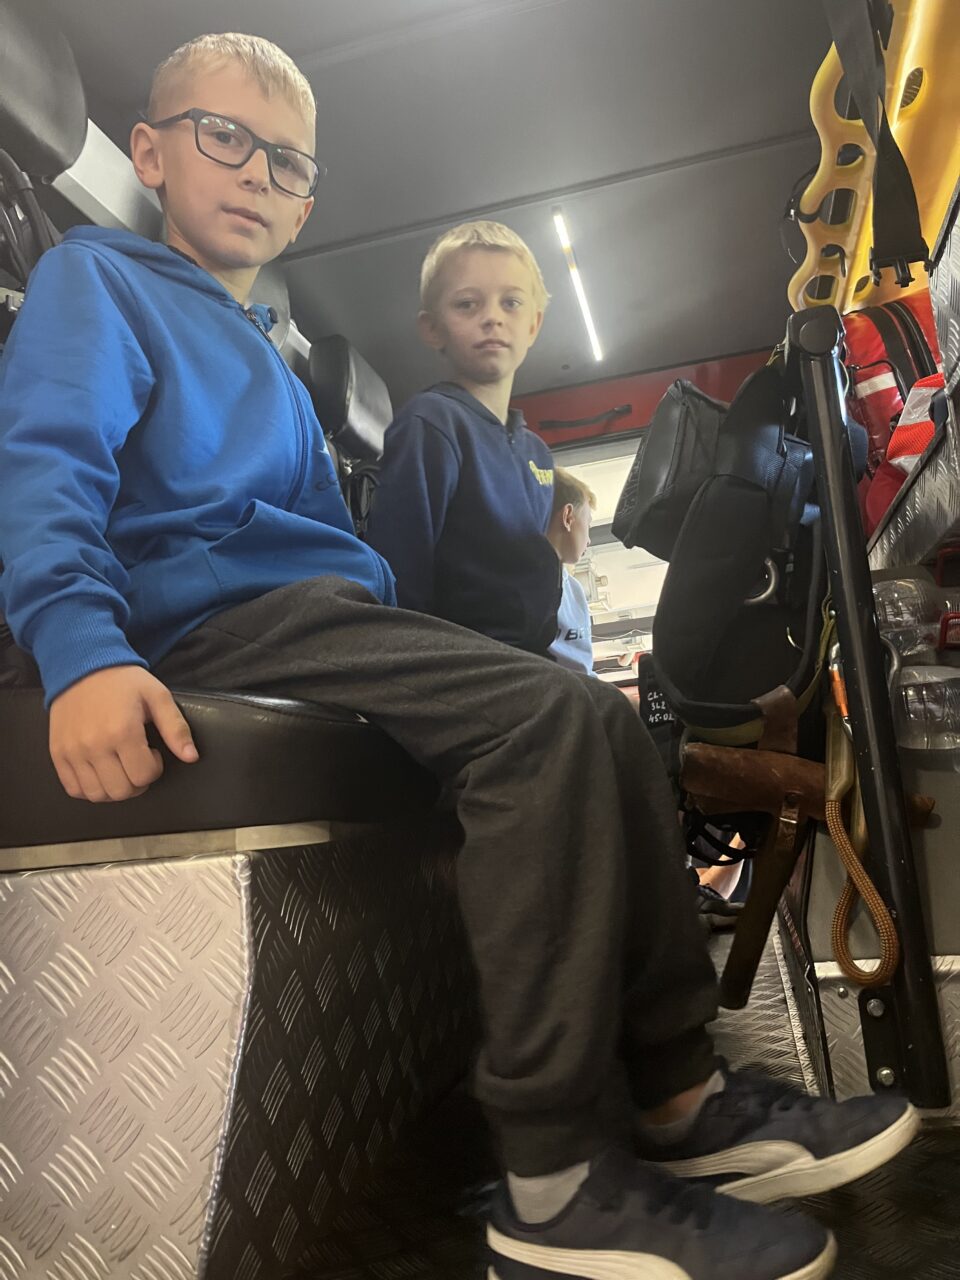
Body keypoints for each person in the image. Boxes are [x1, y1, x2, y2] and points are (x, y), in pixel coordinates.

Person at [0, 33, 919, 1280]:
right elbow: (45, 464)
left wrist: (413, 634)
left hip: (311, 616)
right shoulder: (98, 281)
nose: (258, 172)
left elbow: (342, 558)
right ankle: (554, 1182)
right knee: (546, 719)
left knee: (597, 718)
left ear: (307, 203)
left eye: (288, 162)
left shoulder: (262, 345)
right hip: (204, 622)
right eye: (224, 138)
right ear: (151, 152)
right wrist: (80, 648)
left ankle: (678, 1094)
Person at [365, 221, 561, 656]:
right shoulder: (430, 423)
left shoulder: (538, 455)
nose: (492, 317)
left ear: (533, 325)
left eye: (511, 302)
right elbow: (400, 573)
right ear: (432, 328)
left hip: (525, 659)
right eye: (467, 304)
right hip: (457, 657)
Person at [545, 467, 596, 675]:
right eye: (588, 523)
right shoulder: (525, 585)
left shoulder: (574, 589)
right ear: (567, 517)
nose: (589, 540)